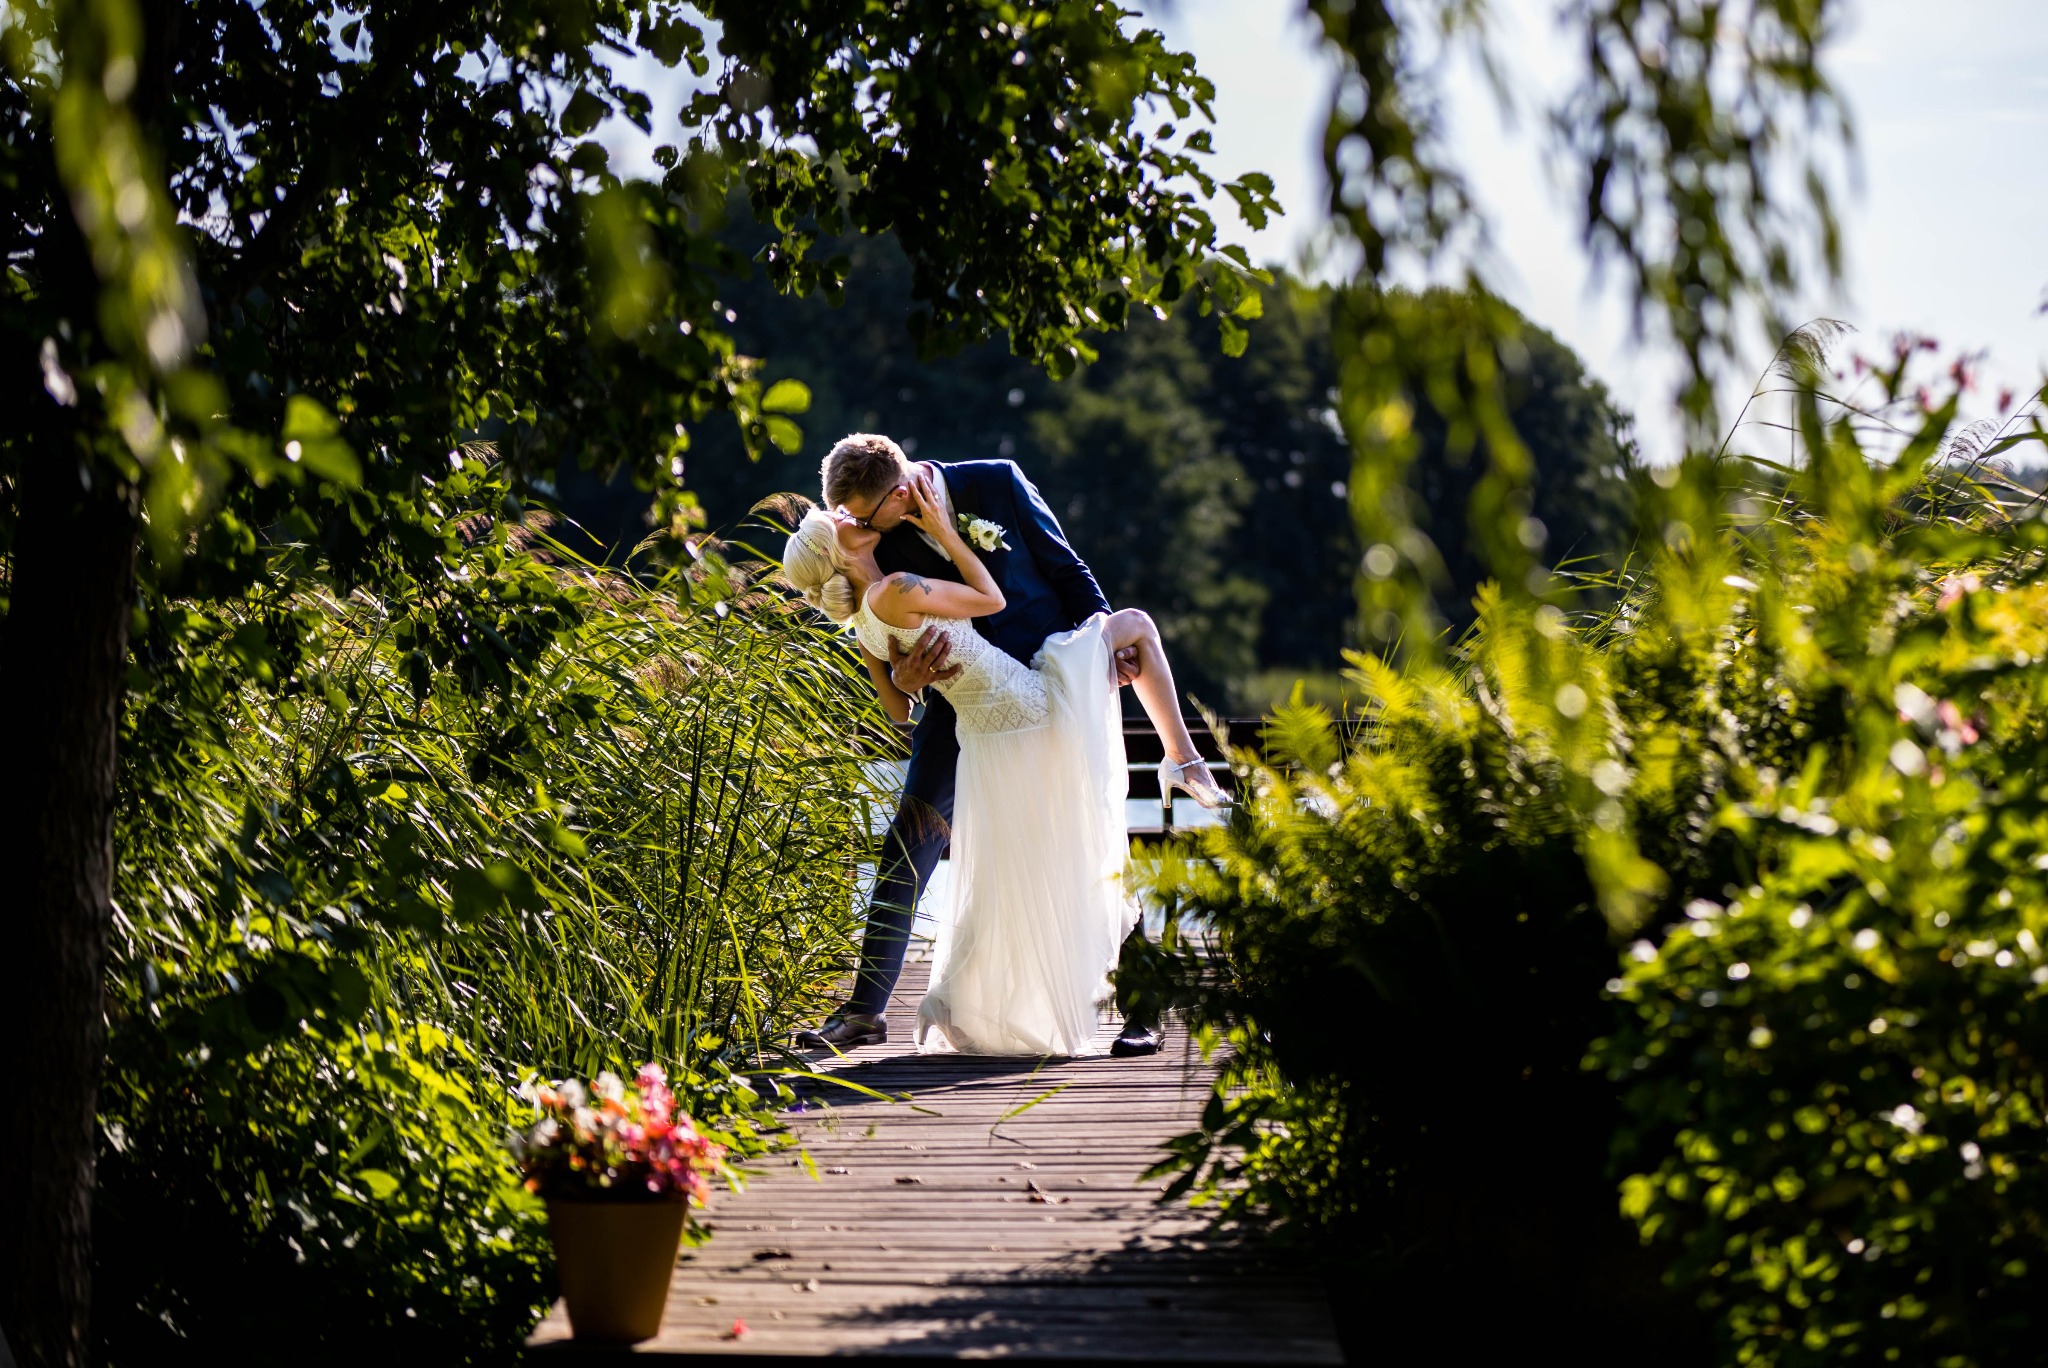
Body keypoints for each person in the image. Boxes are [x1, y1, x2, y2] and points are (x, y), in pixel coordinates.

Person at [781, 435, 1226, 1055]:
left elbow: (1069, 571)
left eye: (862, 513)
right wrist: (906, 679)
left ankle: (1142, 1009)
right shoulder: (879, 545)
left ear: (901, 489)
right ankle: (864, 1011)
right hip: (958, 705)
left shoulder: (997, 482)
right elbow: (888, 640)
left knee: (1087, 836)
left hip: (1043, 682)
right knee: (908, 847)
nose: (853, 524)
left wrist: (1106, 651)